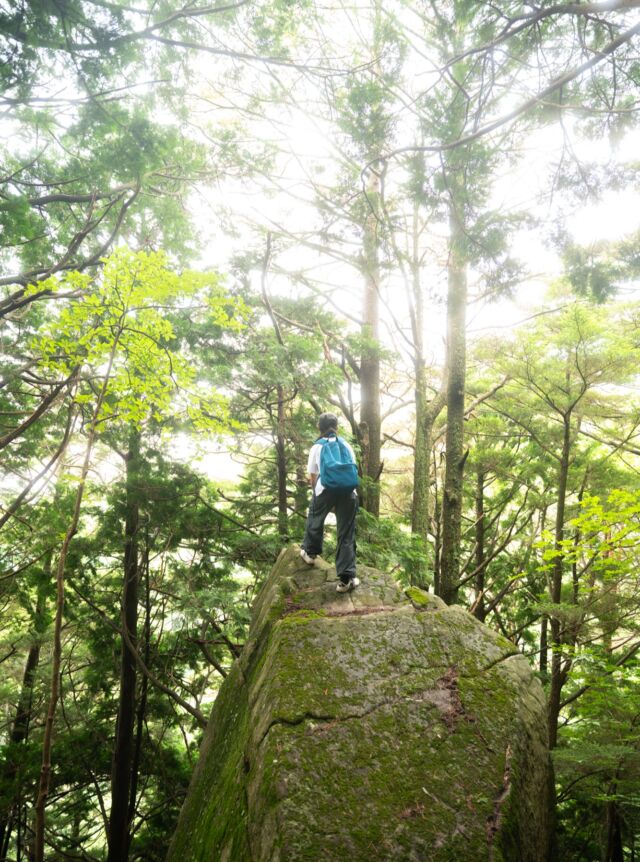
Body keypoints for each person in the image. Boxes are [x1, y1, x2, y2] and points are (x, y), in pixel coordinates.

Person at [300, 412, 360, 593]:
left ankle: (310, 553)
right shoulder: (346, 445)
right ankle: (346, 579)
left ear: (319, 427)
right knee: (346, 532)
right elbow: (352, 470)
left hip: (325, 490)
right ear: (337, 427)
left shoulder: (317, 447)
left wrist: (318, 493)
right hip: (349, 492)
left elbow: (313, 476)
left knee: (315, 517)